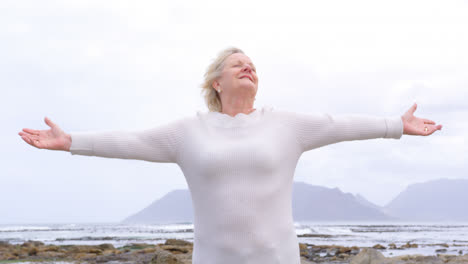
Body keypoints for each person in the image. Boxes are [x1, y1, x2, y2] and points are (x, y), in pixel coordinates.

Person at [18, 47, 442, 264]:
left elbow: (339, 125)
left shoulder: (286, 124)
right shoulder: (188, 132)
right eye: (237, 63)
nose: (248, 67)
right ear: (216, 83)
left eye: (252, 64)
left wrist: (395, 125)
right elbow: (130, 141)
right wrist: (71, 140)